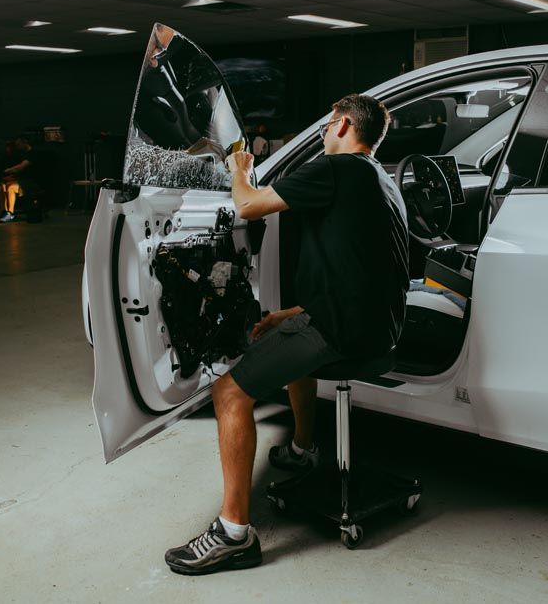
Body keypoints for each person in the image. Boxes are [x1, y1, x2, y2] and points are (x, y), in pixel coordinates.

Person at [164, 94, 409, 575]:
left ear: (341, 125)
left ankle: (234, 533)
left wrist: (239, 167)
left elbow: (249, 205)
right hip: (379, 332)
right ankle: (301, 450)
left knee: (229, 390)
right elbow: (360, 271)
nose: (322, 133)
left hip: (340, 332)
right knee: (288, 334)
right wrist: (291, 313)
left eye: (325, 125)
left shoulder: (333, 170)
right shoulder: (381, 180)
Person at [0, 137, 40, 223]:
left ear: (25, 142)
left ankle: (10, 213)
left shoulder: (33, 154)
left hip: (32, 182)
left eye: (18, 144)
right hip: (22, 180)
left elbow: (21, 167)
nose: (17, 146)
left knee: (11, 187)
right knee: (0, 185)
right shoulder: (22, 154)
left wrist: (8, 170)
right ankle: (4, 212)